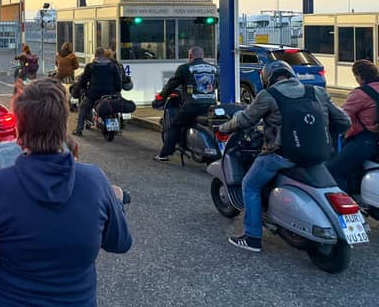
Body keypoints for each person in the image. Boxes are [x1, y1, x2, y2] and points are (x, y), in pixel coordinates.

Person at [0, 78, 131, 306]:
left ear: (19, 130)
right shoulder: (94, 181)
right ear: (63, 125)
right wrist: (115, 202)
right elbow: (121, 242)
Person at [218, 60, 349, 252]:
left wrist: (223, 127)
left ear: (267, 78)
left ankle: (252, 237)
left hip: (280, 155)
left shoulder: (268, 95)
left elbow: (245, 120)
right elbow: (344, 121)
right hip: (319, 154)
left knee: (250, 184)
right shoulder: (317, 92)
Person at [153, 46, 218, 162]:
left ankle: (164, 155)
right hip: (210, 105)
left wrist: (162, 96)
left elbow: (171, 85)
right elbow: (216, 84)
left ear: (190, 56)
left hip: (192, 105)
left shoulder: (185, 68)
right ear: (203, 56)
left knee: (175, 126)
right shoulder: (213, 68)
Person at [327, 59, 379, 193]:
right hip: (376, 140)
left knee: (334, 171)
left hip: (365, 140)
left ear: (360, 77)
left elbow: (341, 115)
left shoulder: (361, 93)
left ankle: (345, 208)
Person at [72, 47, 122, 137]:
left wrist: (83, 88)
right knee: (114, 106)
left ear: (95, 55)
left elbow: (83, 81)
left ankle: (79, 130)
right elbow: (118, 81)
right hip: (110, 94)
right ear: (105, 56)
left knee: (83, 107)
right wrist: (117, 91)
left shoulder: (90, 66)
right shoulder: (113, 66)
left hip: (94, 95)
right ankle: (116, 126)